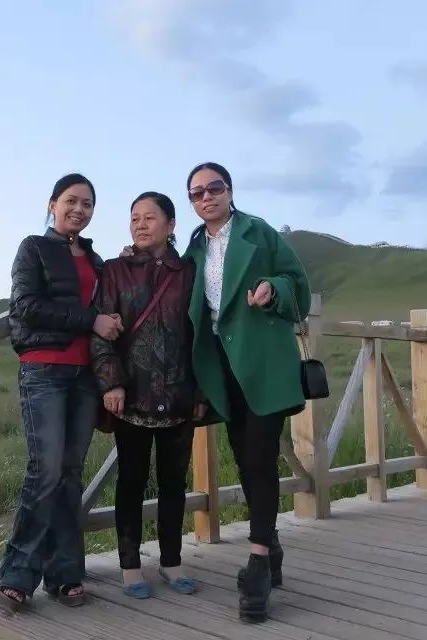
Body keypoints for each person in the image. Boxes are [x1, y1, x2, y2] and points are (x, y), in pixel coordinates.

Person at [183, 162, 311, 623]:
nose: (206, 197)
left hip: (263, 363)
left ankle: (258, 563)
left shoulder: (260, 232)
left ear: (230, 190)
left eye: (214, 187)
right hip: (222, 370)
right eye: (197, 193)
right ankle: (270, 545)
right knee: (245, 457)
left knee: (259, 457)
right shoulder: (194, 248)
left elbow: (299, 287)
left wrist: (273, 289)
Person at [0, 173, 123, 612]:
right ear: (53, 204)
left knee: (70, 473)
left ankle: (65, 573)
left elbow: (112, 301)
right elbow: (25, 306)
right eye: (71, 201)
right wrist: (90, 320)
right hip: (44, 369)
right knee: (45, 470)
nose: (79, 210)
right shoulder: (33, 248)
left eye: (87, 204)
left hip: (85, 376)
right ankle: (17, 574)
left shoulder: (97, 260)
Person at [91, 192, 207, 599]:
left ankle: (172, 562)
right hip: (132, 396)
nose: (140, 225)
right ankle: (129, 566)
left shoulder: (190, 272)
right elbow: (101, 332)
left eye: (150, 218)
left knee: (174, 483)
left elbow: (202, 337)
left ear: (171, 225)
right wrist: (111, 382)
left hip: (179, 396)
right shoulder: (115, 270)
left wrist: (201, 391)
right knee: (131, 481)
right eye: (134, 218)